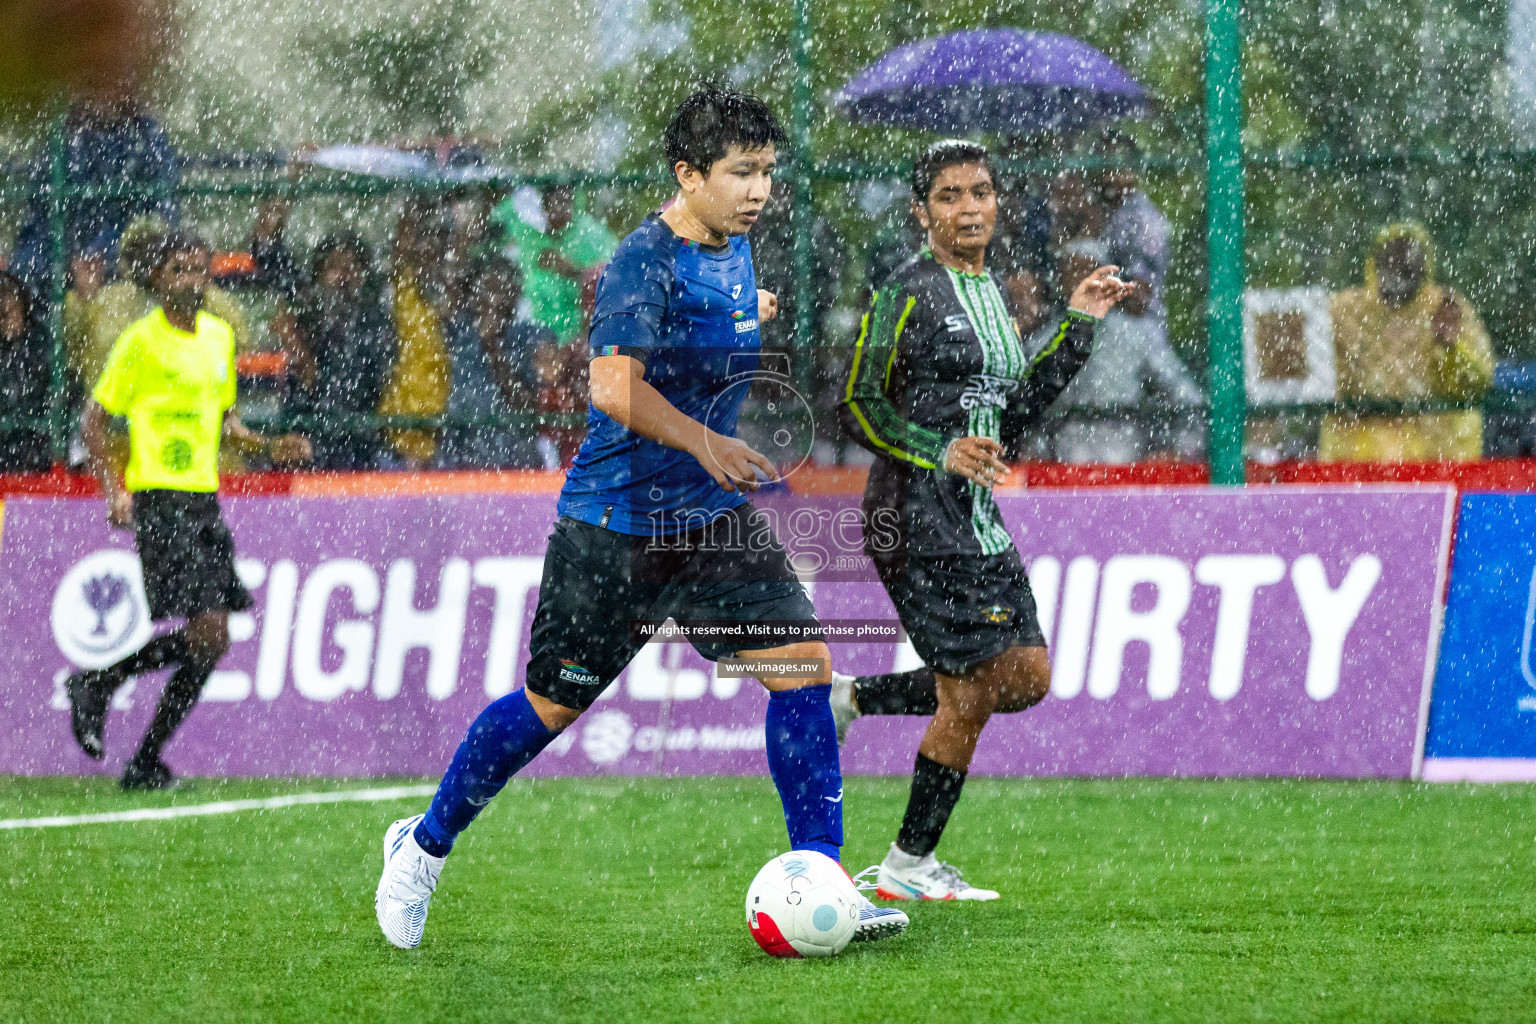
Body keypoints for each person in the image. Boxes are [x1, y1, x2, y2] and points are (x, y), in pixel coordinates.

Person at [374, 87, 908, 950]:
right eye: (741, 172)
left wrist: (748, 314)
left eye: (767, 171)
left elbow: (708, 326)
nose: (759, 189)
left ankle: (825, 881)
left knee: (804, 667)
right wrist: (704, 440)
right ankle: (423, 846)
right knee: (550, 705)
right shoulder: (640, 263)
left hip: (709, 520)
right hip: (615, 527)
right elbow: (611, 386)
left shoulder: (733, 250)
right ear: (687, 174)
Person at [834, 139, 1132, 900]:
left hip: (973, 512)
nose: (969, 208)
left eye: (981, 192)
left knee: (1025, 676)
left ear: (997, 202)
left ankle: (854, 698)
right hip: (913, 513)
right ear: (920, 211)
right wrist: (938, 451)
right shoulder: (909, 291)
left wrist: (1078, 326)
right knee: (968, 692)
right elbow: (858, 404)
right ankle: (907, 867)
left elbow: (1015, 412)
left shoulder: (991, 290)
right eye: (949, 196)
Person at [62, 231, 311, 790]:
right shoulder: (140, 342)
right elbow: (93, 424)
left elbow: (226, 422)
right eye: (178, 269)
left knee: (214, 639)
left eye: (198, 269)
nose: (191, 279)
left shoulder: (219, 339)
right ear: (157, 279)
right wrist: (114, 490)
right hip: (158, 495)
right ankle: (108, 701)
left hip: (203, 498)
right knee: (205, 631)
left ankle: (127, 730)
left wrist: (269, 447)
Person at [1320, 221, 1494, 462]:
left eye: (1410, 261)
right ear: (1375, 264)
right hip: (1359, 458)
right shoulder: (1345, 310)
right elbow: (1318, 380)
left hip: (1433, 458)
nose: (1400, 267)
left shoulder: (1445, 307)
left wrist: (1450, 346)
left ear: (1426, 266)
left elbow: (1477, 385)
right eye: (1391, 259)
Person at [10, 95, 179, 304]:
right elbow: (33, 239)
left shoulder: (147, 140)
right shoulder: (60, 144)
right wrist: (68, 267)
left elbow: (160, 229)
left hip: (127, 290)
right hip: (65, 291)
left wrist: (105, 262)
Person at [282, 233, 397, 470]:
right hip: (307, 442)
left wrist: (297, 346)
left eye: (352, 266)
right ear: (319, 276)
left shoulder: (374, 322)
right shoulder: (307, 319)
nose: (344, 276)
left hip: (360, 446)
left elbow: (346, 389)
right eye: (334, 268)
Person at [438, 254, 549, 469]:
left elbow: (526, 408)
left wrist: (493, 348)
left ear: (515, 295)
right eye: (486, 289)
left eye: (500, 290)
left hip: (517, 464)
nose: (493, 299)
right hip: (464, 464)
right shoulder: (458, 337)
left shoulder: (533, 338)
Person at [493, 183, 618, 344]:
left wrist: (574, 271)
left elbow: (611, 273)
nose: (564, 208)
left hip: (578, 331)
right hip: (532, 326)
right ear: (543, 204)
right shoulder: (525, 228)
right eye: (558, 201)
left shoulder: (588, 232)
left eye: (567, 201)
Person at [378, 200, 452, 467]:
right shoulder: (405, 294)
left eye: (436, 248)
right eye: (424, 248)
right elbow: (401, 253)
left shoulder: (451, 297)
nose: (429, 255)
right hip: (403, 429)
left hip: (441, 433)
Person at [0, 271, 53, 472]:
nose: (8, 321)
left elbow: (46, 392)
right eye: (2, 315)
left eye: (12, 311)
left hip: (36, 445)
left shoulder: (40, 340)